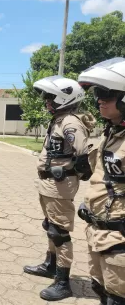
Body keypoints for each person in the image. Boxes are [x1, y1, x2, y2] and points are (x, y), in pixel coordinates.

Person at [21, 76, 95, 301]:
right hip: (49, 184)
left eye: (50, 98)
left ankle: (63, 282)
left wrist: (73, 175)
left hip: (59, 185)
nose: (46, 102)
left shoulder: (70, 122)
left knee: (59, 232)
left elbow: (84, 156)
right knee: (50, 225)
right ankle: (50, 265)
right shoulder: (59, 120)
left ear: (64, 98)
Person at [76, 57, 125, 305]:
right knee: (101, 289)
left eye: (107, 94)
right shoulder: (112, 132)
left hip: (119, 236)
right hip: (99, 230)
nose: (100, 100)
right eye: (98, 94)